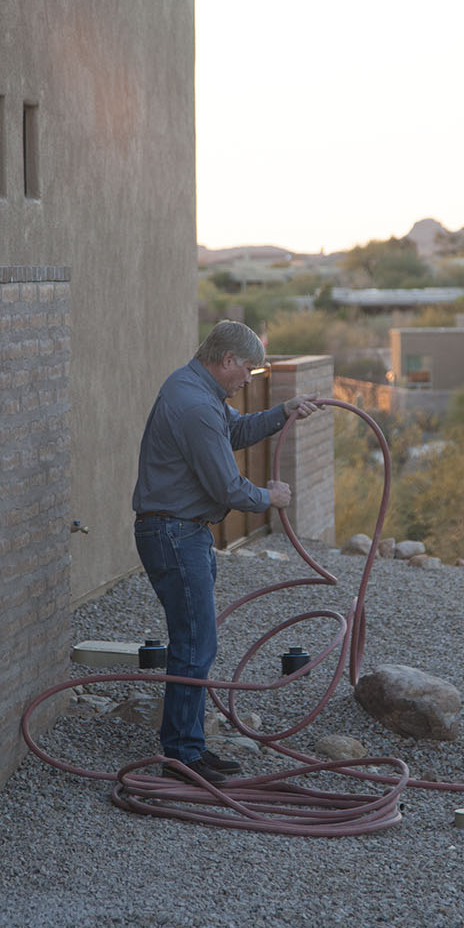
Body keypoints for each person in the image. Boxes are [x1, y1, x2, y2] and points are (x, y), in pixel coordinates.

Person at [132, 319, 323, 784]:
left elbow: (234, 433)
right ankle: (182, 756)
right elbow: (227, 486)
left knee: (194, 641)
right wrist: (270, 498)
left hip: (180, 531)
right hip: (175, 534)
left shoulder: (196, 391)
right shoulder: (195, 404)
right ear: (227, 360)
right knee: (196, 644)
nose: (248, 379)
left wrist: (283, 411)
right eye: (248, 370)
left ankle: (188, 747)